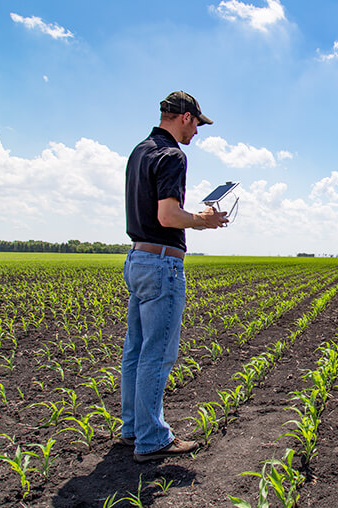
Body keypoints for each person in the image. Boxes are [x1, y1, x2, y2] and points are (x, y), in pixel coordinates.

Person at [121, 91, 228, 463]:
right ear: (185, 117)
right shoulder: (172, 156)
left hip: (137, 258)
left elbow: (156, 212)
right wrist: (204, 219)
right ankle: (152, 438)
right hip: (161, 263)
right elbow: (168, 216)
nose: (197, 132)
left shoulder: (140, 151)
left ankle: (133, 428)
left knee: (135, 350)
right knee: (158, 352)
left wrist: (193, 217)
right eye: (197, 123)